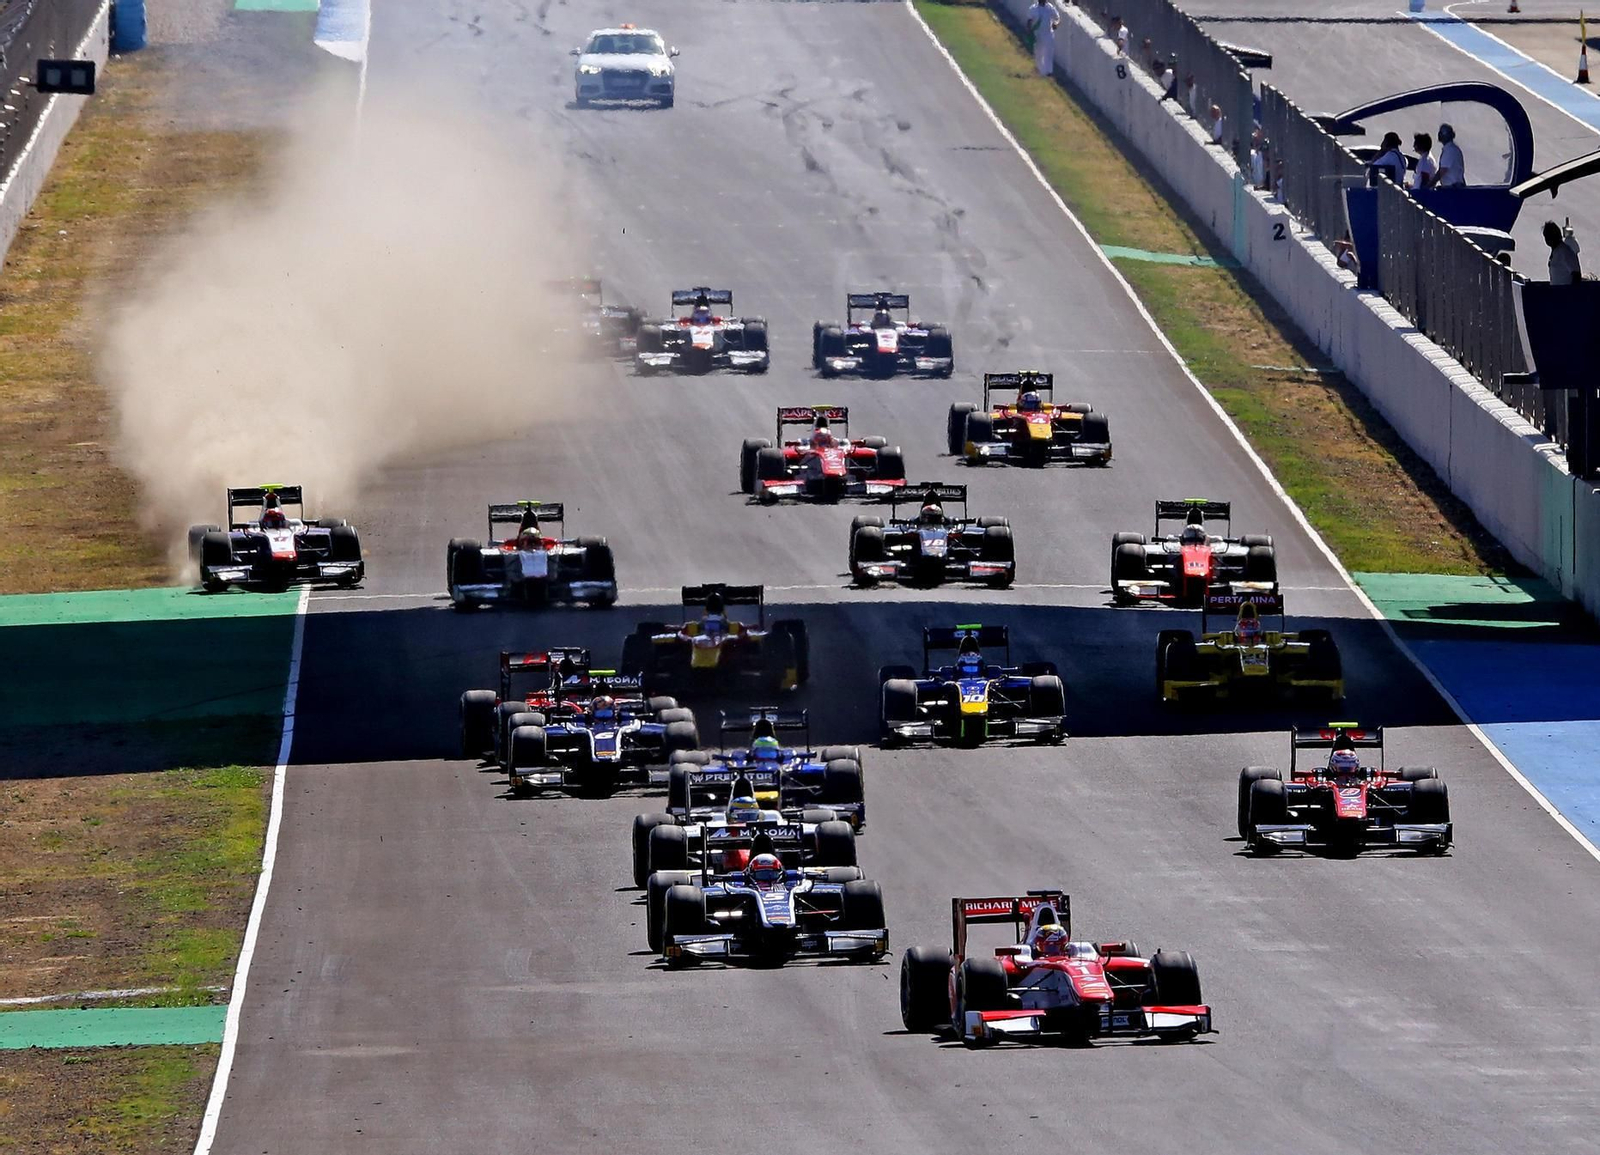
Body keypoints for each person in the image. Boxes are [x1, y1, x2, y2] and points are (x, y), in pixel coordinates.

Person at [1026, 0, 1060, 77]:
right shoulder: (1033, 8)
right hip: (1037, 33)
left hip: (1048, 33)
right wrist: (1029, 32)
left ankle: (1048, 71)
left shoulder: (1050, 8)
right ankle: (1040, 70)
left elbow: (1057, 18)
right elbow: (1029, 21)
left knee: (1049, 52)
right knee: (1038, 52)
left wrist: (1056, 24)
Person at [1545, 220, 1582, 285]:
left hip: (1564, 293)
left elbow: (1576, 274)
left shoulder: (1565, 252)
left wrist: (1570, 292)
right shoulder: (1555, 252)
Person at [1436, 123, 1465, 188]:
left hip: (1453, 188)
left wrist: (1430, 184)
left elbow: (1442, 171)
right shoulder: (1452, 149)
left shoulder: (1450, 151)